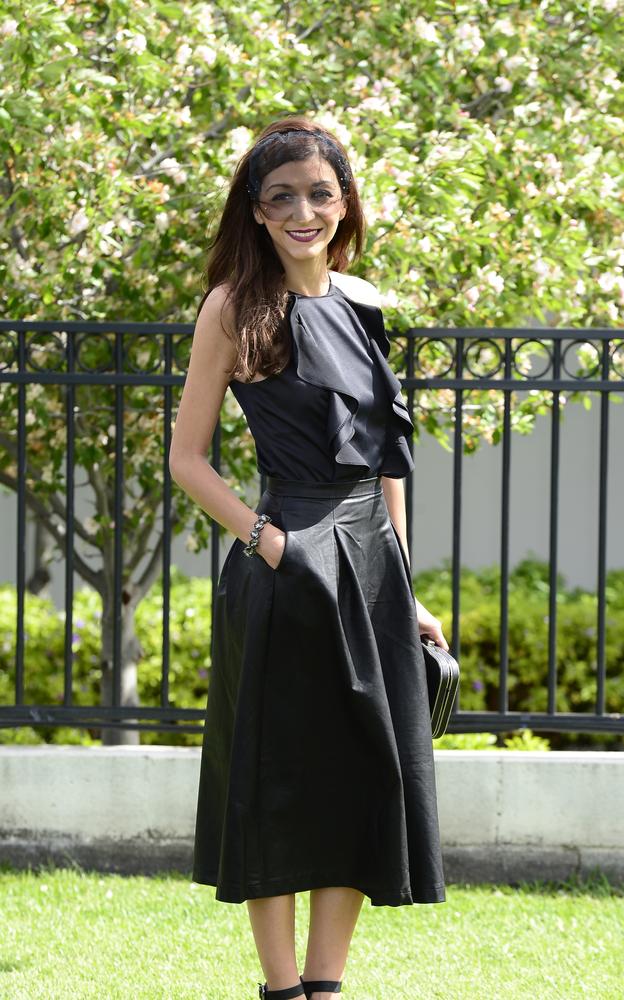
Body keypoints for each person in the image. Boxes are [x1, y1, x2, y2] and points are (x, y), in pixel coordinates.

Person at [169, 115, 448, 1000]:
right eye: (282, 196)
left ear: (344, 201)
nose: (303, 211)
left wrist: (404, 581)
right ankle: (283, 990)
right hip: (289, 567)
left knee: (363, 775)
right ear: (255, 210)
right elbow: (187, 457)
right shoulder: (232, 306)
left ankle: (327, 990)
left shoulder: (364, 302)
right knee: (282, 781)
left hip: (371, 566)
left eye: (320, 194)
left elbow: (383, 455)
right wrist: (269, 540)